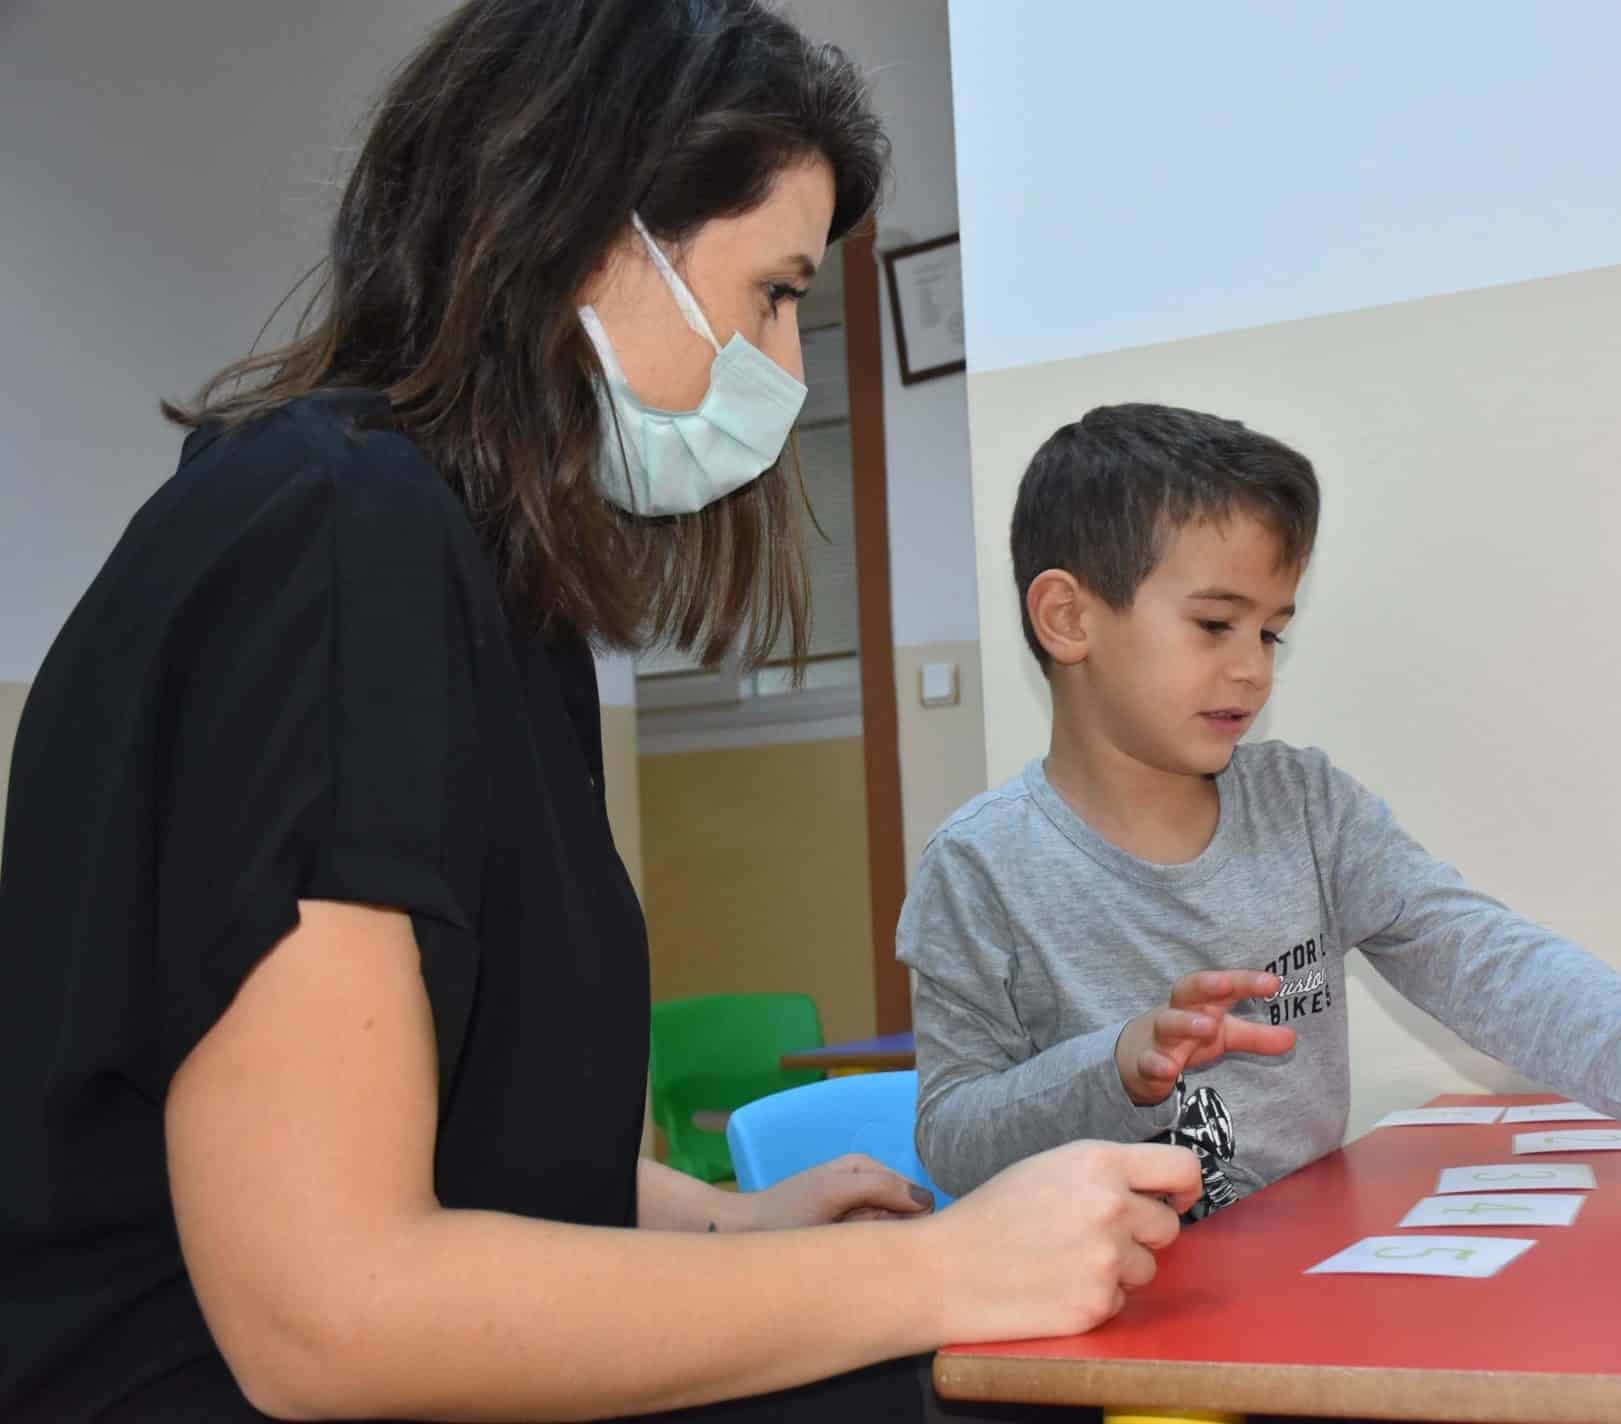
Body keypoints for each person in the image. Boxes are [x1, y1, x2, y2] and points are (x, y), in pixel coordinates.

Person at [0, 5, 1200, 1420]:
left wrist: (724, 1226)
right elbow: (327, 1314)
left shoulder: (473, 579)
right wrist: (944, 1269)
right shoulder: (336, 539)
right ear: (584, 231)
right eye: (769, 296)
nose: (789, 370)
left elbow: (459, 1133)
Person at [898, 403, 1621, 1213]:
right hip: (1092, 1318)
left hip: (1293, 1283)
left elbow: (1487, 960)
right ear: (1069, 617)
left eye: (1272, 633)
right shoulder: (981, 869)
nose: (1251, 670)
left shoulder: (1306, 807)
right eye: (1215, 623)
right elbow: (953, 1133)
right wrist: (1116, 1063)